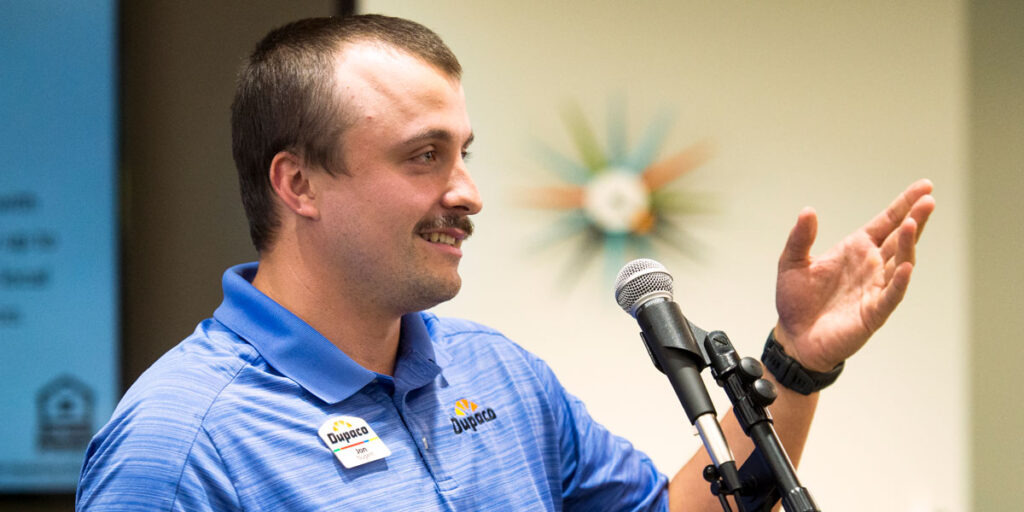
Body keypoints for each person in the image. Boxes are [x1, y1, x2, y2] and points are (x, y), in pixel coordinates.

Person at [76, 15, 935, 511]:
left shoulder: (499, 376)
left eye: (464, 152)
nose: (469, 193)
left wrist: (796, 361)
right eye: (424, 156)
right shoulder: (179, 447)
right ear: (299, 183)